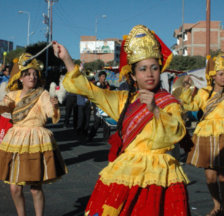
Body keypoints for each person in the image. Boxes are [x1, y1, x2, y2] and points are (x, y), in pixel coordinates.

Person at [53, 24, 190, 216]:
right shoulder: (123, 100)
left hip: (159, 176)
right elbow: (91, 91)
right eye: (142, 69)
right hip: (126, 173)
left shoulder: (169, 103)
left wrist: (156, 110)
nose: (149, 74)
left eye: (154, 68)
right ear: (133, 74)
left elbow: (175, 133)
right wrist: (67, 60)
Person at [0, 53, 67, 216]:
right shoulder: (12, 95)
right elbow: (4, 107)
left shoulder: (42, 94)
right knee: (15, 188)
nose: (32, 77)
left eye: (34, 74)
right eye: (28, 74)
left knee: (36, 188)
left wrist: (54, 104)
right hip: (16, 141)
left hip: (36, 141)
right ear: (20, 78)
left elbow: (51, 114)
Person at [180, 53, 224, 216]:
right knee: (210, 177)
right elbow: (190, 105)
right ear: (213, 76)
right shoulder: (204, 93)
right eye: (221, 74)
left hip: (223, 136)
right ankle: (217, 205)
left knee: (223, 177)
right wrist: (186, 88)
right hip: (207, 136)